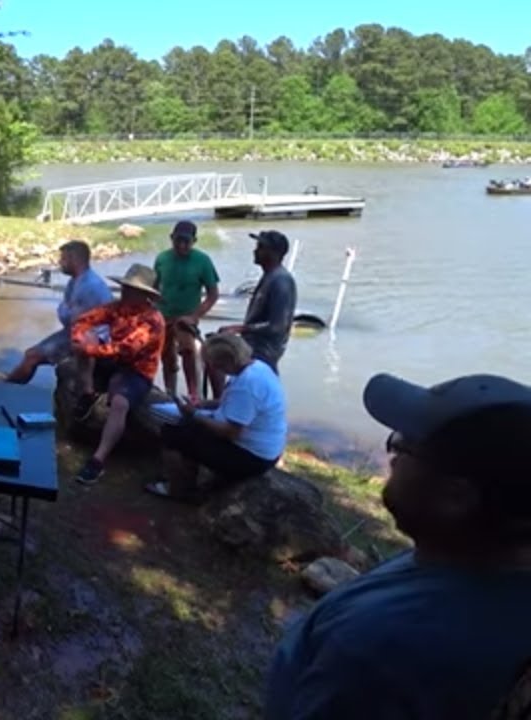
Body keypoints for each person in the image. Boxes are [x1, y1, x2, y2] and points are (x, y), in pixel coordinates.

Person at [265, 372, 531, 720]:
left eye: (402, 445)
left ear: (456, 497)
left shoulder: (384, 651)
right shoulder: (461, 554)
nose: (390, 457)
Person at [145, 333, 285, 502]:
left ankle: (179, 489)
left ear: (227, 362)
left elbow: (230, 433)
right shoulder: (258, 367)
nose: (212, 367)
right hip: (265, 448)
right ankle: (189, 476)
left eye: (214, 363)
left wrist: (194, 414)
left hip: (253, 457)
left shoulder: (247, 385)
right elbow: (232, 404)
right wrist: (202, 404)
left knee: (171, 435)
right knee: (188, 429)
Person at [68, 264, 165, 485]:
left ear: (145, 295)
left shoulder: (153, 320)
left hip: (138, 370)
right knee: (87, 341)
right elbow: (85, 320)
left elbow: (128, 348)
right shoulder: (117, 307)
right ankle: (87, 394)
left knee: (120, 403)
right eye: (125, 288)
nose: (125, 292)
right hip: (114, 361)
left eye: (131, 289)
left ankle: (98, 460)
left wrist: (89, 348)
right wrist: (78, 338)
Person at [6, 239, 113, 384]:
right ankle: (10, 384)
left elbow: (71, 319)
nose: (59, 262)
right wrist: (65, 310)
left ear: (74, 259)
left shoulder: (89, 286)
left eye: (63, 258)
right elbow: (66, 313)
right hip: (78, 332)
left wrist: (65, 309)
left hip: (93, 339)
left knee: (32, 357)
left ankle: (6, 388)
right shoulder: (76, 281)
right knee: (30, 354)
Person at [212, 230, 296, 397]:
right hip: (253, 345)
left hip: (264, 350)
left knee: (218, 355)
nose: (255, 250)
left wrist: (241, 328)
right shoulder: (269, 276)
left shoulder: (281, 281)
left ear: (274, 253)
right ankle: (221, 403)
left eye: (261, 247)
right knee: (214, 350)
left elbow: (278, 326)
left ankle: (224, 407)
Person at [153, 220, 220, 402]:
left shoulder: (203, 261)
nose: (182, 245)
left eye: (187, 242)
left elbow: (213, 295)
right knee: (166, 357)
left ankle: (193, 395)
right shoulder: (162, 259)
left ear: (194, 241)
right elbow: (154, 289)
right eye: (178, 240)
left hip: (186, 317)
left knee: (188, 353)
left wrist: (195, 316)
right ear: (171, 238)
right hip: (163, 315)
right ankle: (170, 393)